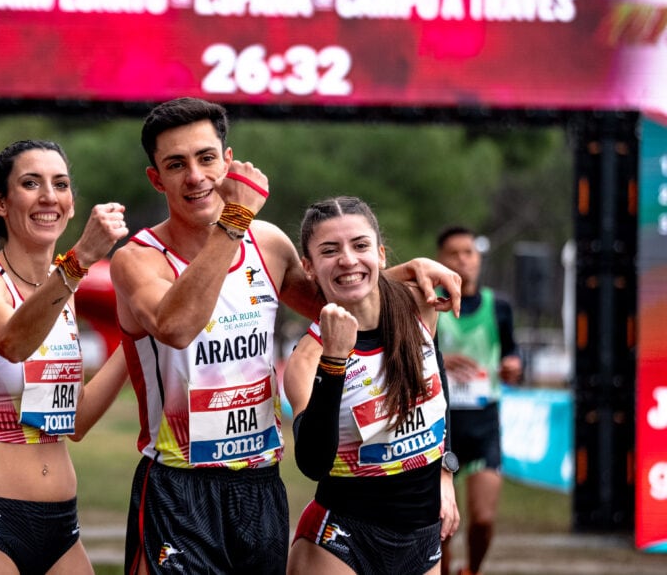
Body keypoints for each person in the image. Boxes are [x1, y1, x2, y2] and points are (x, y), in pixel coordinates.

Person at [109, 98, 462, 574]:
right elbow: (176, 326)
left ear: (227, 161)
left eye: (206, 158)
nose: (195, 176)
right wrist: (234, 221)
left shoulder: (267, 242)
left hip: (260, 479)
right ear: (157, 178)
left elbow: (340, 303)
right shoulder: (138, 259)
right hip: (181, 482)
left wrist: (399, 275)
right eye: (176, 165)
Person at [0, 139, 130, 575]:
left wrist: (136, 338)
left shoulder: (63, 293)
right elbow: (12, 341)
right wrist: (80, 261)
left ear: (72, 204)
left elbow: (72, 422)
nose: (48, 197)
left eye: (60, 184)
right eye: (31, 183)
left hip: (62, 525)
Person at [284, 196, 460, 575]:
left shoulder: (420, 305)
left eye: (360, 245)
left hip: (423, 535)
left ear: (380, 254)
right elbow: (313, 463)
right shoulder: (307, 359)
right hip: (343, 540)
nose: (348, 260)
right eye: (330, 251)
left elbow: (437, 398)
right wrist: (334, 361)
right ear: (309, 267)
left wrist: (446, 471)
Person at [435, 226, 522, 575]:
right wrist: (442, 362)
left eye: (468, 252)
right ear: (440, 260)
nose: (462, 259)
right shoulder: (430, 304)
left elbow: (512, 354)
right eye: (454, 253)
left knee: (483, 519)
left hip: (484, 424)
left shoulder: (498, 306)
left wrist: (514, 366)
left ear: (479, 259)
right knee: (440, 523)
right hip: (439, 427)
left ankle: (471, 569)